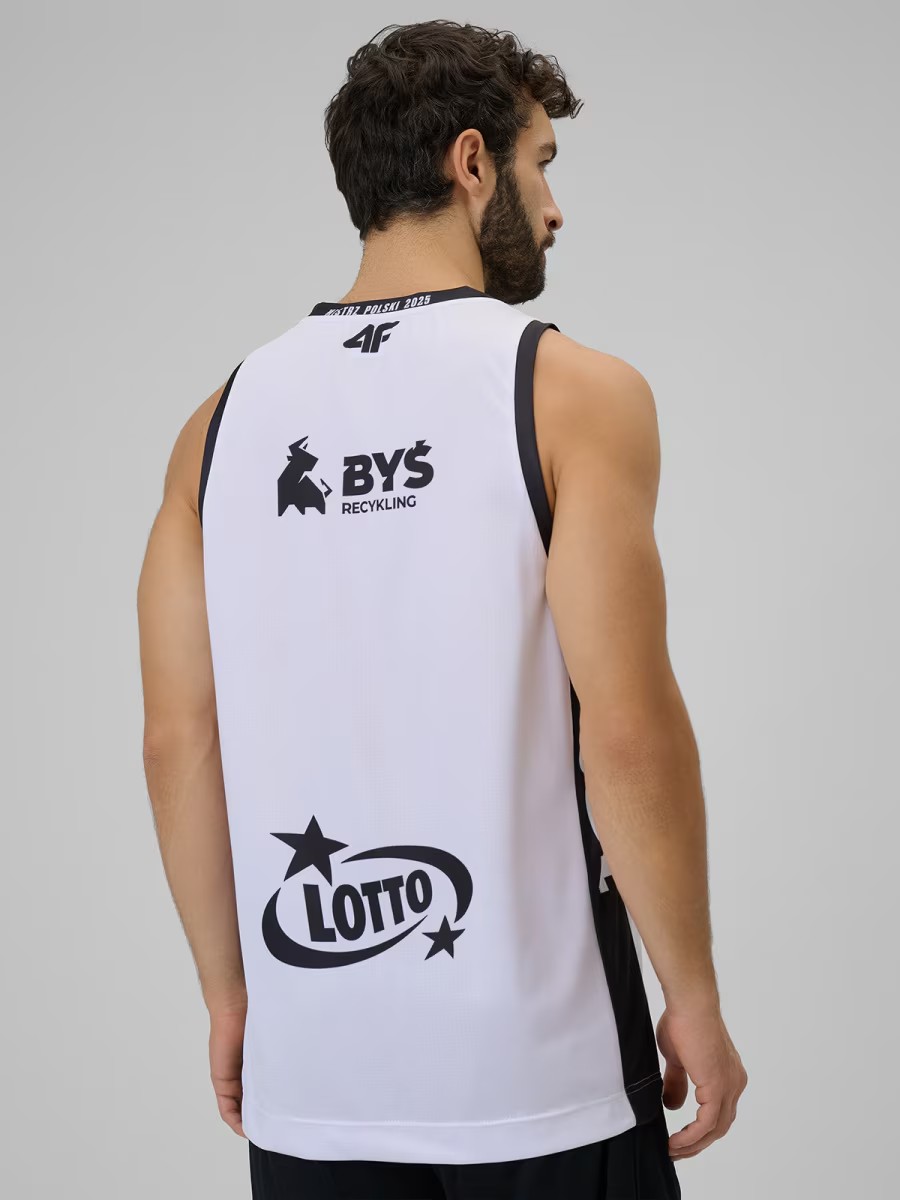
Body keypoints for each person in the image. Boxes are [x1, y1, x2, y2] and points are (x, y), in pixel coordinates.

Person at [137, 18, 747, 1200]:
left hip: (317, 1074)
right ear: (473, 163)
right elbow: (626, 732)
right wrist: (694, 993)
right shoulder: (573, 393)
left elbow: (177, 740)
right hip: (544, 1065)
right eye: (541, 165)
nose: (553, 209)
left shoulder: (213, 429)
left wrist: (229, 994)